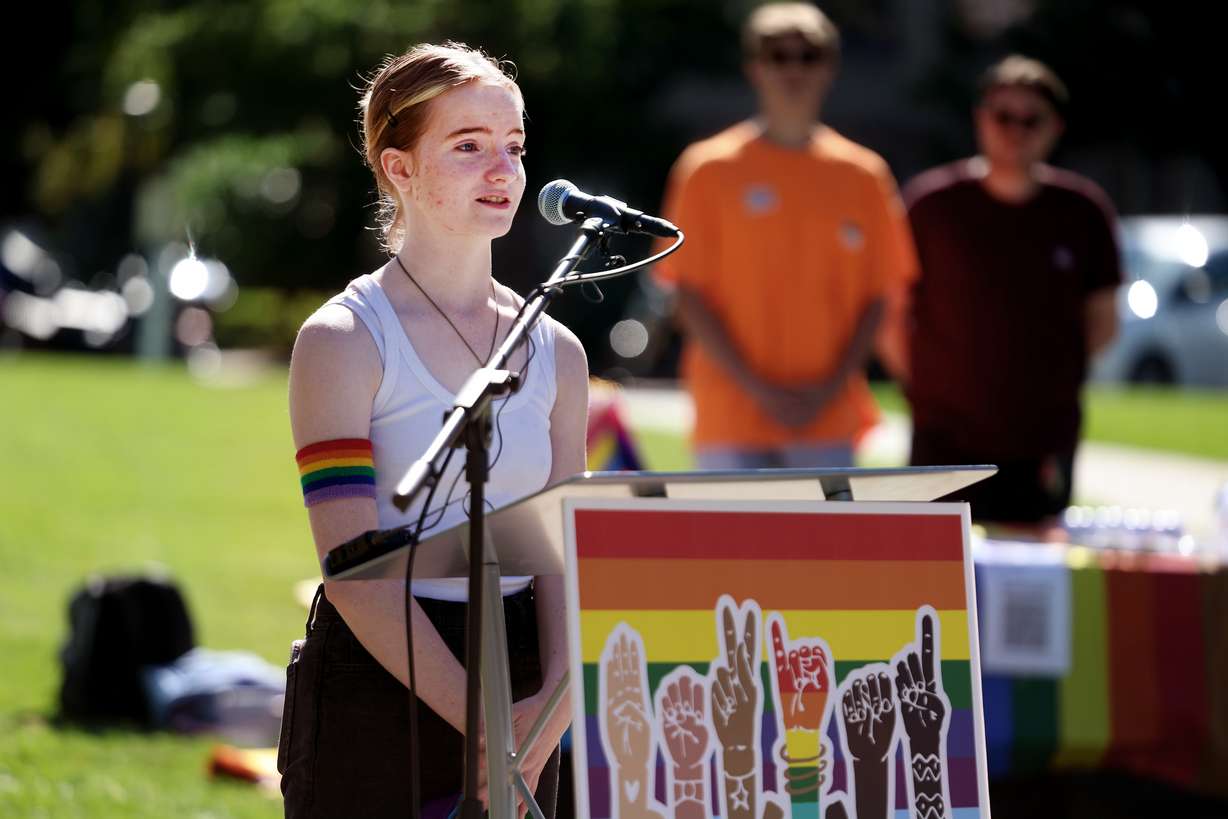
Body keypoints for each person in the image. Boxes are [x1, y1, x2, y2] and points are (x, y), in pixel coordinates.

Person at [278, 42, 589, 819]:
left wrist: (551, 698)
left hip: (529, 688)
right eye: (468, 146)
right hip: (379, 676)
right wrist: (487, 725)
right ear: (398, 169)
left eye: (514, 146)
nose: (503, 169)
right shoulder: (344, 338)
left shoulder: (557, 347)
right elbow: (352, 565)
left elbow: (564, 546)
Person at [654, 2, 917, 470]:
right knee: (732, 547)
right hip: (729, 418)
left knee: (822, 547)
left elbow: (881, 296)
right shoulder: (707, 169)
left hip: (828, 419)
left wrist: (828, 389)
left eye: (808, 56)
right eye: (778, 56)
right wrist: (759, 391)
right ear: (755, 68)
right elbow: (685, 294)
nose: (793, 69)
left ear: (829, 68)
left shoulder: (864, 176)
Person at [902, 55, 1121, 532]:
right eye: (1004, 116)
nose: (1015, 130)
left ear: (1054, 128)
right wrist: (928, 384)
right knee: (936, 581)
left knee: (1030, 585)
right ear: (981, 119)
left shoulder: (1082, 211)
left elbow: (1103, 322)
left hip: (1041, 439)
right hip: (945, 440)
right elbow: (891, 313)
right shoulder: (931, 205)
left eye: (1031, 119)